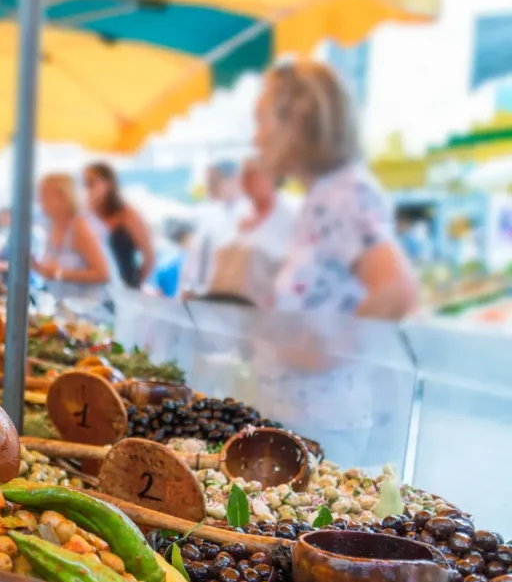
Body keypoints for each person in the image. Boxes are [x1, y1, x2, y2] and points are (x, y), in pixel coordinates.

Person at [251, 60, 419, 463]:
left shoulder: (345, 194)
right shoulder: (322, 195)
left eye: (262, 122)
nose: (257, 138)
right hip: (300, 416)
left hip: (324, 421)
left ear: (297, 120)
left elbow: (397, 289)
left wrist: (327, 353)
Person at [203, 158, 299, 306]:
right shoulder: (235, 214)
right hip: (228, 305)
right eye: (244, 175)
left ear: (272, 177)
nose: (247, 181)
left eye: (254, 175)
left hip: (271, 305)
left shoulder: (293, 214)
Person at [33, 173, 112, 317]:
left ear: (64, 197)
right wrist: (38, 267)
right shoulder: (50, 226)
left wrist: (59, 274)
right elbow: (50, 271)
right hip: (63, 311)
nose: (40, 200)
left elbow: (103, 274)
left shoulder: (80, 228)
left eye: (45, 195)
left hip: (88, 314)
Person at [179, 161, 249, 299]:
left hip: (226, 296)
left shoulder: (246, 213)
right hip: (201, 295)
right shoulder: (210, 213)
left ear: (232, 180)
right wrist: (186, 287)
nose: (210, 186)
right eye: (209, 181)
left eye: (214, 180)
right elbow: (195, 258)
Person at [83, 162, 154, 289]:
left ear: (109, 183)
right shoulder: (86, 215)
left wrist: (134, 285)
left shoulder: (128, 215)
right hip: (94, 288)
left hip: (125, 286)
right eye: (85, 184)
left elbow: (149, 257)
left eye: (91, 183)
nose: (88, 189)